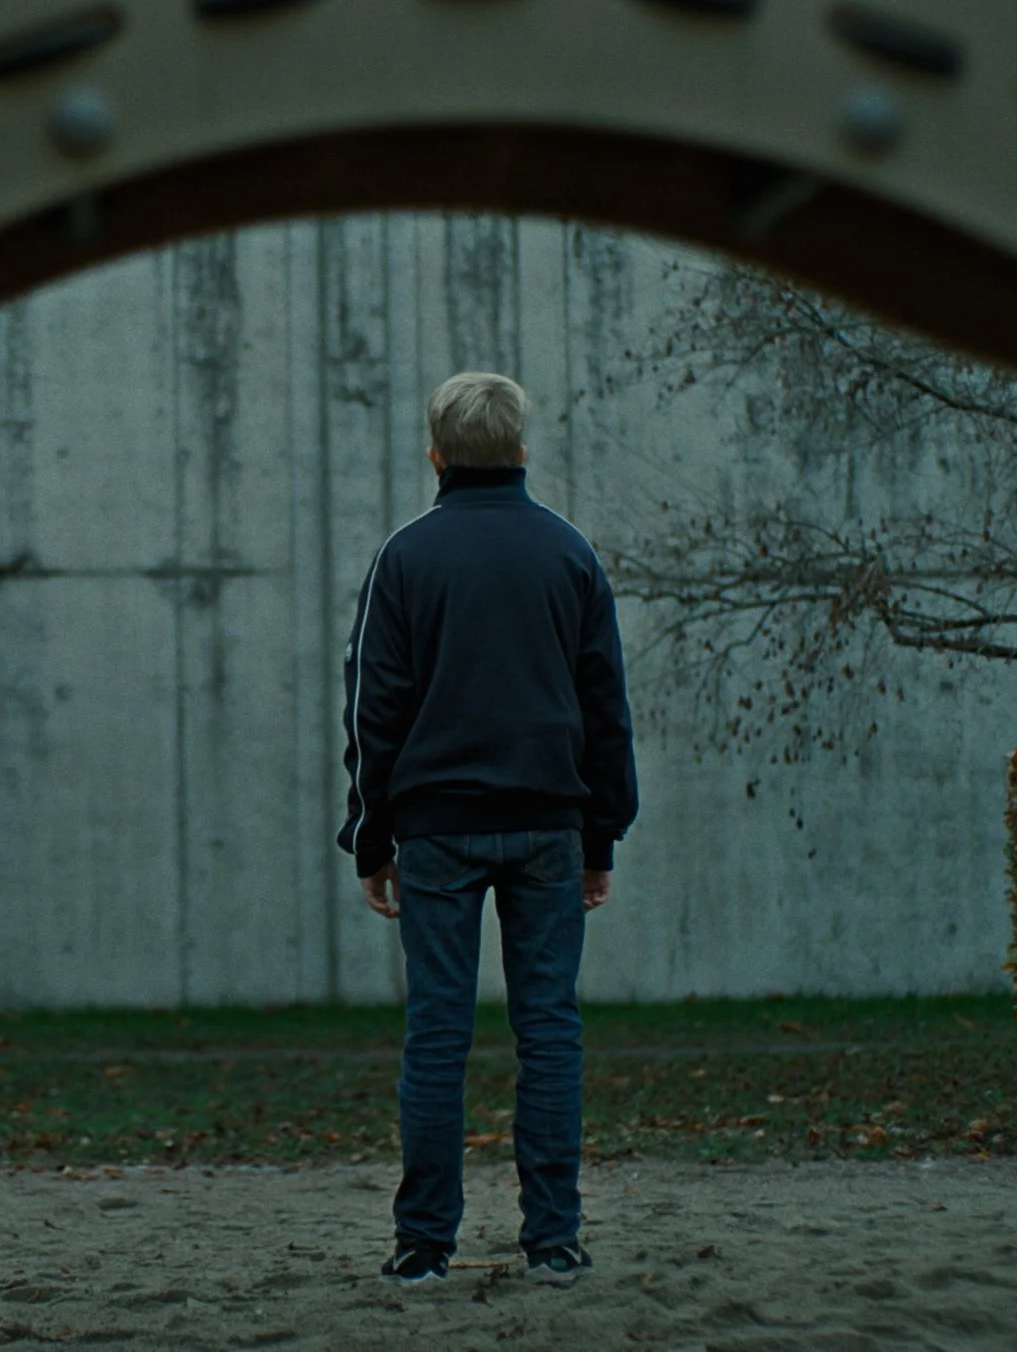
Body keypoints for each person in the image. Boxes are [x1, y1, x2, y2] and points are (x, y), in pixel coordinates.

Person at [338, 371, 638, 1288]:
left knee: (438, 1031)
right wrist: (600, 838)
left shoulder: (405, 557)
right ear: (519, 451)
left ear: (436, 456)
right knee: (549, 1028)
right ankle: (553, 1238)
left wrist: (371, 835)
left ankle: (423, 1242)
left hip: (435, 831)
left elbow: (372, 711)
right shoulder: (568, 553)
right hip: (547, 826)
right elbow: (604, 709)